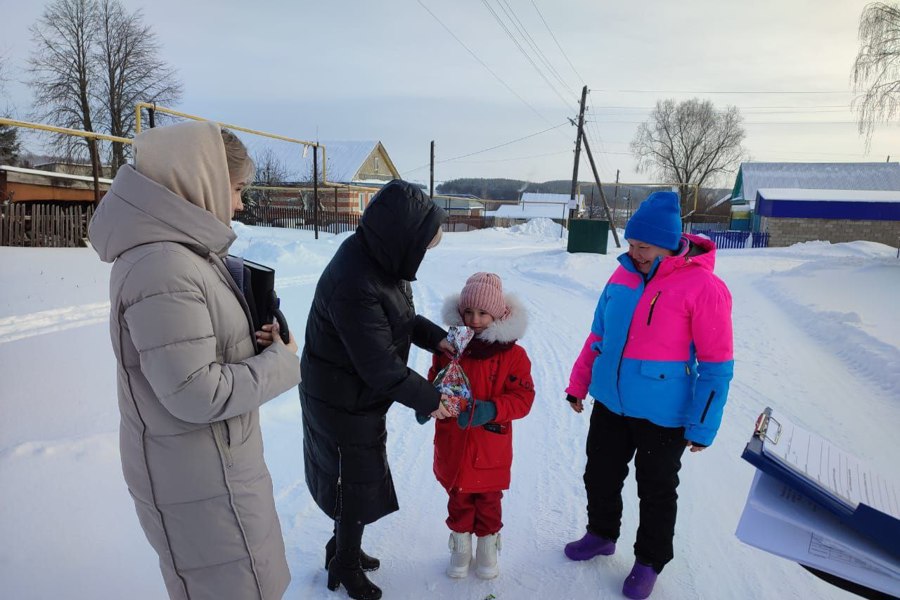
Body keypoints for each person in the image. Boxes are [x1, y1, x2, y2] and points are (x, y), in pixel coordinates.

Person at [88, 121, 301, 600]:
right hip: (199, 478)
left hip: (214, 466)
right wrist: (282, 363)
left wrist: (258, 343)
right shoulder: (163, 265)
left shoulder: (185, 255)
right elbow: (194, 391)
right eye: (238, 189)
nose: (242, 204)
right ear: (200, 180)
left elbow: (195, 358)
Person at [563, 191, 734, 600]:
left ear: (669, 243)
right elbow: (598, 336)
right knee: (599, 475)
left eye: (643, 246)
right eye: (631, 244)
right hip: (610, 403)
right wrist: (579, 383)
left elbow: (717, 365)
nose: (634, 252)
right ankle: (601, 534)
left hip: (663, 414)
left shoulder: (703, 287)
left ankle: (649, 561)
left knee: (655, 491)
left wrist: (702, 425)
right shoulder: (621, 276)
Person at [299, 179, 454, 600]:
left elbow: (398, 319)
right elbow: (380, 367)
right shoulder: (356, 280)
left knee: (355, 480)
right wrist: (433, 400)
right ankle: (344, 565)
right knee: (353, 481)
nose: (422, 255)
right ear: (402, 238)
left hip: (352, 397)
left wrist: (434, 337)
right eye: (423, 245)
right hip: (340, 400)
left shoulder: (379, 259)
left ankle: (342, 547)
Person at [423, 272, 535, 580]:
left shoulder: (513, 355)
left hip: (490, 447)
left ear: (497, 314)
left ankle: (487, 551)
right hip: (454, 441)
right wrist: (425, 401)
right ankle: (460, 550)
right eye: (468, 312)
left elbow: (524, 397)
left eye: (482, 313)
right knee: (458, 499)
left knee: (488, 502)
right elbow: (436, 379)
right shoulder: (449, 348)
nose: (474, 319)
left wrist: (494, 409)